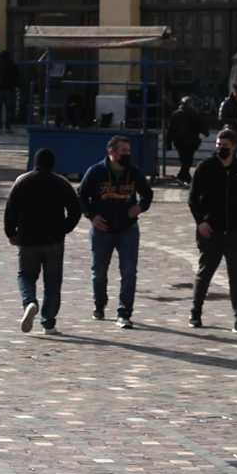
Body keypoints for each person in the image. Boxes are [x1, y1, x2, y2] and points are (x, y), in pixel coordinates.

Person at [4, 147, 82, 334]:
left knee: (26, 276)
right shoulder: (61, 183)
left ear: (35, 162)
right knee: (53, 282)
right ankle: (48, 322)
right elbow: (75, 210)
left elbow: (11, 210)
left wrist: (11, 233)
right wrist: (64, 228)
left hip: (28, 238)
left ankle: (30, 302)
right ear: (53, 164)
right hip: (54, 239)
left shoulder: (22, 181)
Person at [77, 135, 151, 329]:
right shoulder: (96, 172)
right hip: (102, 230)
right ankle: (99, 305)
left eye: (128, 151)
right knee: (99, 272)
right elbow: (81, 196)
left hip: (128, 229)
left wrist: (140, 207)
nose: (126, 155)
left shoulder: (134, 172)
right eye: (122, 151)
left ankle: (124, 313)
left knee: (129, 272)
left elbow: (147, 194)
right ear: (111, 152)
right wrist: (92, 216)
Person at [189, 126, 237, 333]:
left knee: (236, 275)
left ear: (234, 147)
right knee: (205, 272)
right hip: (211, 230)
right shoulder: (206, 167)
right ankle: (195, 313)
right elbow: (193, 199)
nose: (221, 149)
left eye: (225, 146)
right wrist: (201, 222)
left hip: (236, 231)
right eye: (219, 145)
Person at [168, 94, 205, 187]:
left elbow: (171, 130)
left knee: (185, 160)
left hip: (180, 141)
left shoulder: (176, 114)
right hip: (190, 142)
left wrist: (168, 142)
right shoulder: (194, 113)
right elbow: (201, 126)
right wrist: (204, 134)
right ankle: (183, 177)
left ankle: (184, 177)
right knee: (187, 160)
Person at [0, 49, 21, 133]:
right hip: (9, 91)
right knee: (9, 110)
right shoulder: (12, 64)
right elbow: (17, 76)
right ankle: (8, 127)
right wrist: (17, 85)